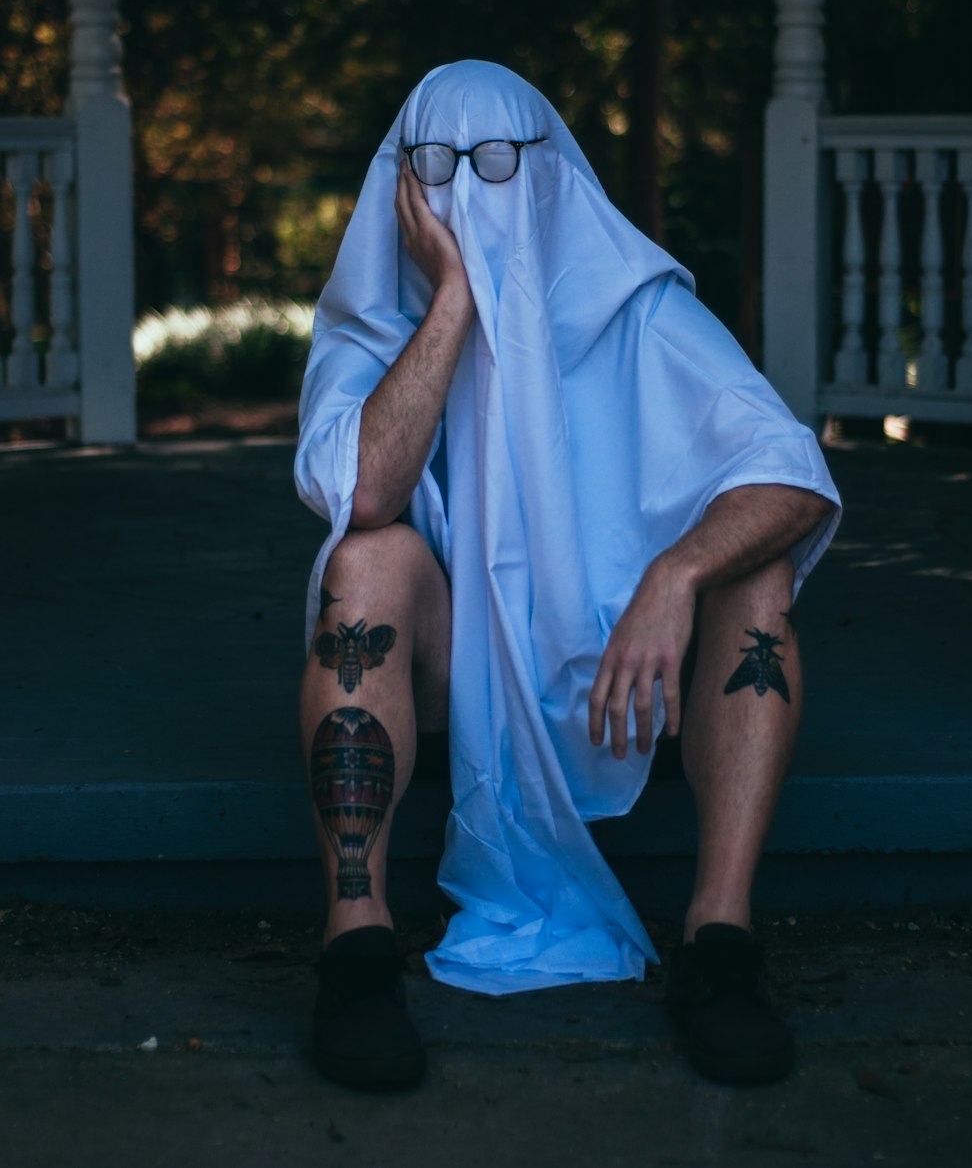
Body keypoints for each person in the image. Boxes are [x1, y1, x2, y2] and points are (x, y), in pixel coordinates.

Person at [294, 59, 840, 1090]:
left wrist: (673, 577)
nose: (469, 186)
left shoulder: (637, 311)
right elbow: (364, 493)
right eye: (438, 165)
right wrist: (453, 299)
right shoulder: (370, 327)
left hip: (623, 658)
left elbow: (795, 479)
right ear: (401, 191)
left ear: (547, 173)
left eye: (496, 162)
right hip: (457, 657)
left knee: (755, 578)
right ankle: (355, 949)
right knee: (364, 562)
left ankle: (719, 948)